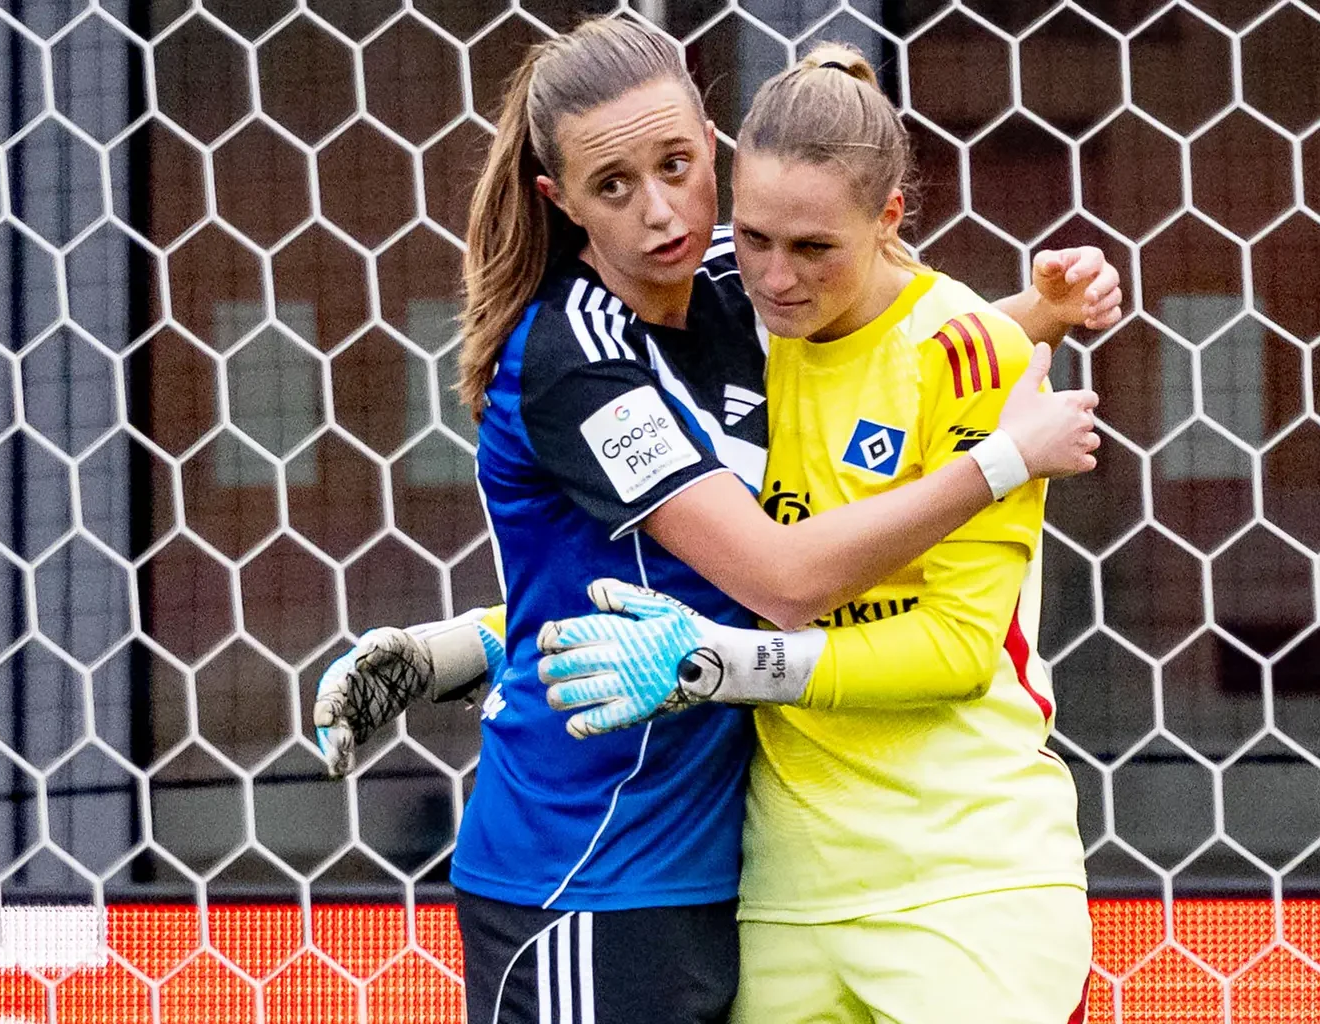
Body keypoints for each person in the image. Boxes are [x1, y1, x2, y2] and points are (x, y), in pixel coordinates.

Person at [310, 19, 1118, 1024]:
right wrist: (1000, 460)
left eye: (678, 165)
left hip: (721, 866)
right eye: (614, 186)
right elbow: (776, 579)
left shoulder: (746, 280)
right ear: (560, 200)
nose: (661, 212)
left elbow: (876, 365)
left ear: (713, 143)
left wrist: (1032, 318)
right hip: (584, 866)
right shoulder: (574, 359)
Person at [535, 46, 1091, 1023]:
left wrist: (725, 664)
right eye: (751, 239)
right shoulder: (745, 344)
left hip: (968, 880)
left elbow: (954, 650)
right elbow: (691, 574)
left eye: (812, 249)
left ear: (888, 220)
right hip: (781, 896)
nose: (776, 279)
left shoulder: (972, 353)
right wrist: (468, 643)